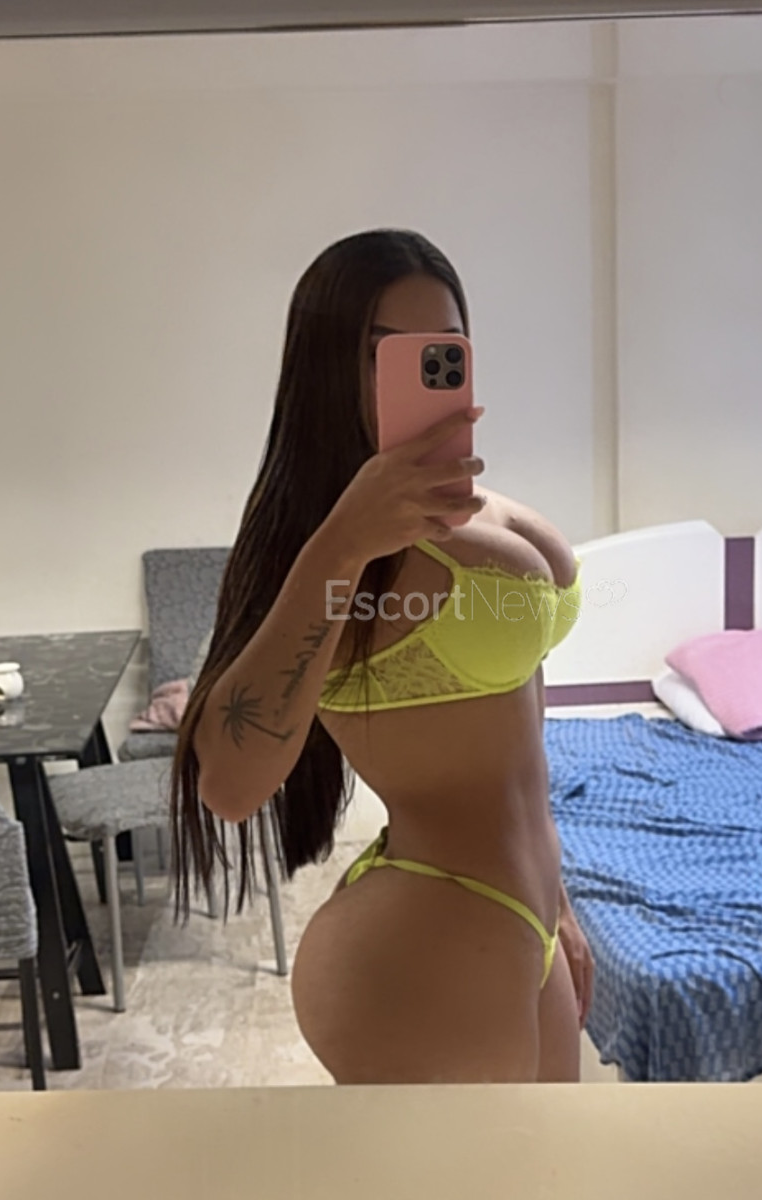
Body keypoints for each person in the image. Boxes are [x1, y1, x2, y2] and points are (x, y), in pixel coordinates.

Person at [170, 228, 593, 1084]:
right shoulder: (321, 544)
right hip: (427, 929)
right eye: (383, 354)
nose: (423, 372)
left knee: (550, 1155)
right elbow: (229, 786)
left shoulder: (484, 510)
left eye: (444, 348)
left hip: (526, 914)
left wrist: (558, 901)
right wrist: (343, 544)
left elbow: (517, 723)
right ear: (326, 369)